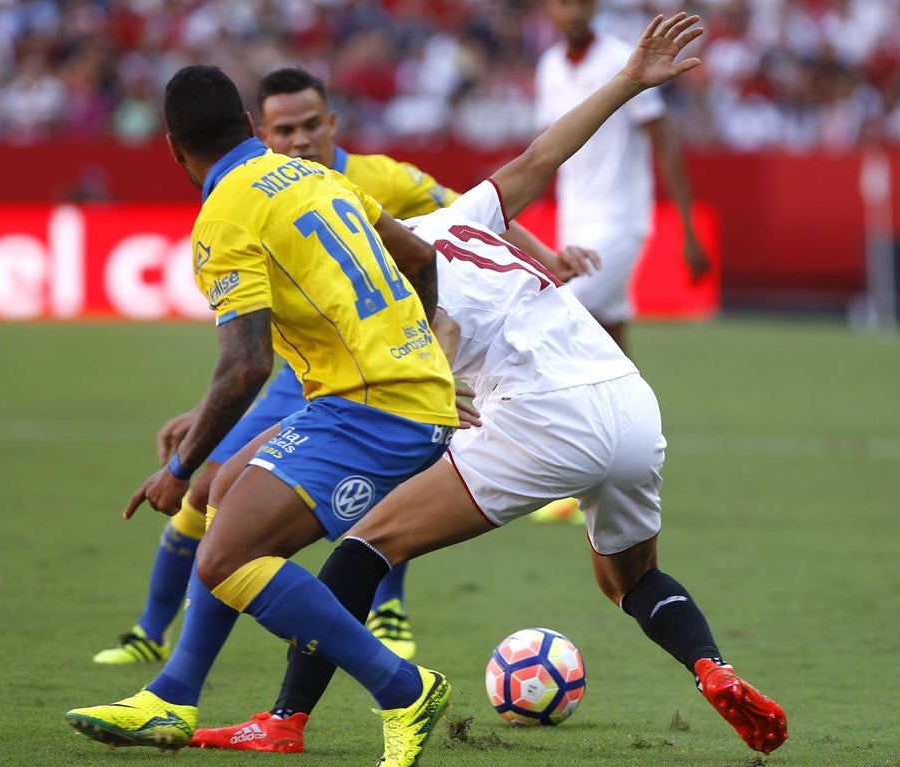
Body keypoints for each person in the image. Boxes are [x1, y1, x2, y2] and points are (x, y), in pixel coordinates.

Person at [189, 13, 787, 757]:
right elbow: (546, 152)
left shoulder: (380, 275)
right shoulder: (464, 215)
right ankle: (713, 666)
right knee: (630, 578)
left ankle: (285, 719)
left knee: (365, 546)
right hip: (629, 400)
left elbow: (404, 332)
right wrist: (630, 81)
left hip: (538, 416)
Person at [92, 66, 599, 667]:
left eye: (311, 124)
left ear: (332, 122)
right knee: (211, 491)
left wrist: (440, 338)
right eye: (286, 129)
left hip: (365, 378)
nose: (301, 139)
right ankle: (160, 646)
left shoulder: (371, 178)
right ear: (259, 129)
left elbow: (479, 211)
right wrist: (205, 415)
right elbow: (257, 353)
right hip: (309, 375)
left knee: (316, 496)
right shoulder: (283, 187)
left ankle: (387, 636)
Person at [66, 64, 462, 767]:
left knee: (224, 554)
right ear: (251, 129)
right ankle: (174, 692)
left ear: (173, 150)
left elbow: (246, 364)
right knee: (221, 493)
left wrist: (174, 466)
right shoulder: (312, 175)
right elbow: (422, 255)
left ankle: (404, 688)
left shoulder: (223, 217)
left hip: (376, 409)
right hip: (378, 393)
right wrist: (421, 353)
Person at [535, 0, 712, 355]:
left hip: (620, 219)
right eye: (565, 5)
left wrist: (688, 232)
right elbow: (545, 151)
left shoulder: (622, 60)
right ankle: (633, 409)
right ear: (549, 10)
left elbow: (664, 142)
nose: (574, 13)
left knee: (562, 307)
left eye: (582, 4)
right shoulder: (549, 67)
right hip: (575, 219)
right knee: (610, 331)